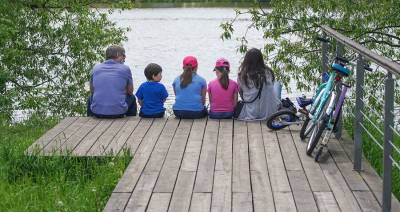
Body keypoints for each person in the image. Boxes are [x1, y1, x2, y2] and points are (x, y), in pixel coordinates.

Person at [87, 45, 137, 118]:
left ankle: (90, 119)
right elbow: (130, 92)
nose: (124, 58)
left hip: (97, 112)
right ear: (117, 55)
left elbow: (92, 90)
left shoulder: (96, 68)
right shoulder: (125, 69)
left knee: (91, 97)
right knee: (132, 97)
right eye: (123, 55)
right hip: (118, 113)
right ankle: (130, 120)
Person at [236, 48, 280, 121]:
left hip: (251, 113)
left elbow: (241, 94)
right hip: (270, 113)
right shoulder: (268, 72)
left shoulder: (242, 76)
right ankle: (278, 104)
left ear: (246, 60)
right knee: (278, 84)